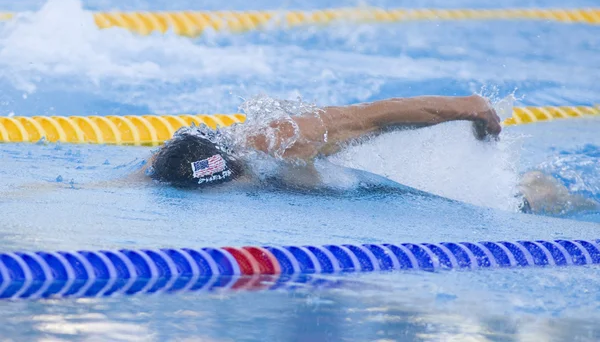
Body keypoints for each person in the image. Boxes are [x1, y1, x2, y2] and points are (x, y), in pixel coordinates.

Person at [146, 95, 596, 214]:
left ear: (231, 172)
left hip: (420, 183)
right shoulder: (175, 164)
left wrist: (468, 108)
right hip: (360, 188)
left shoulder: (288, 140)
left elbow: (380, 114)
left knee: (532, 196)